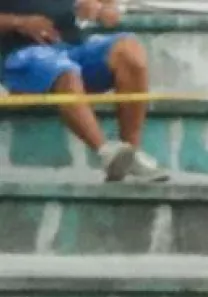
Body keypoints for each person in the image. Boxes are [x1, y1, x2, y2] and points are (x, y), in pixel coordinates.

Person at [0, 0, 167, 182]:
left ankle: (130, 153)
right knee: (63, 70)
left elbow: (107, 6)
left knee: (129, 50)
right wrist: (20, 23)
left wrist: (103, 9)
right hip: (20, 54)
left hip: (71, 48)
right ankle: (106, 152)